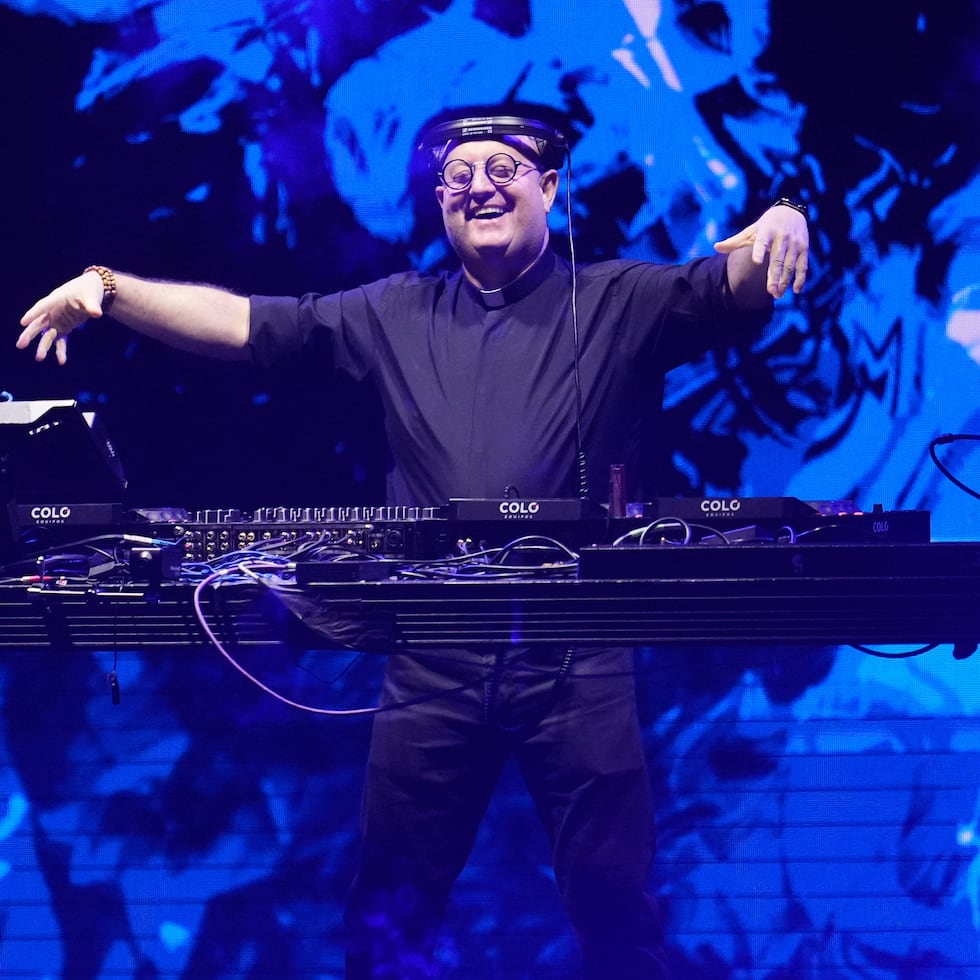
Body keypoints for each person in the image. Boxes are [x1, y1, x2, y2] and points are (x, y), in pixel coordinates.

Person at [18, 106, 809, 978]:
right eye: (458, 177)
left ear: (550, 189)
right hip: (434, 655)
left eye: (503, 169)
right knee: (389, 915)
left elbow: (733, 285)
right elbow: (247, 326)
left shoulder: (621, 299)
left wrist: (781, 220)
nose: (479, 187)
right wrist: (108, 288)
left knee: (612, 904)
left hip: (575, 658)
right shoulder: (397, 310)